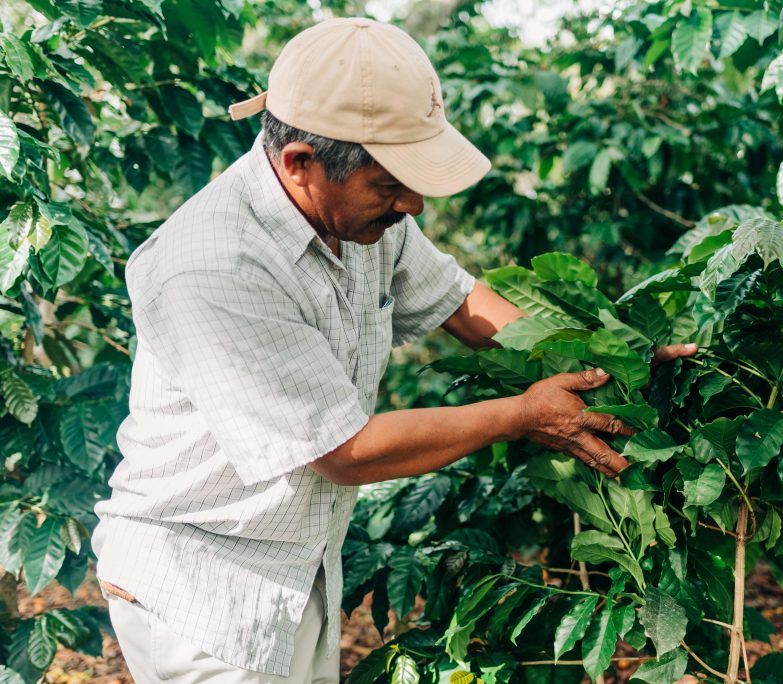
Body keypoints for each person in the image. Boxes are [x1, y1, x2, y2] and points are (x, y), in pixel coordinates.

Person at [92, 17, 697, 683]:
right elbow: (344, 453)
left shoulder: (360, 218)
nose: (412, 203)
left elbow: (464, 305)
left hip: (293, 569)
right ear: (301, 163)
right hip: (201, 588)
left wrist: (607, 364)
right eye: (390, 183)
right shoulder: (214, 267)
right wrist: (524, 414)